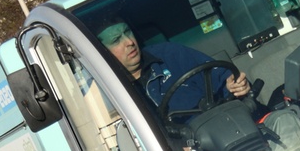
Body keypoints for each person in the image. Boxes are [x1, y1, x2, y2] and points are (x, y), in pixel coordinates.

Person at [98, 19, 251, 119]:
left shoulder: (170, 54)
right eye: (116, 40)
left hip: (222, 123)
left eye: (127, 32)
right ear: (103, 53)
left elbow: (221, 77)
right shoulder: (111, 93)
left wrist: (234, 85)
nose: (129, 42)